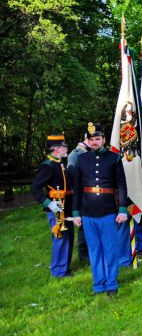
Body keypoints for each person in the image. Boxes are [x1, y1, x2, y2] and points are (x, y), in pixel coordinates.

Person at [71, 123, 128, 295]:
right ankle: (98, 284)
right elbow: (77, 188)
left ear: (103, 139)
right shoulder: (81, 159)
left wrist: (123, 209)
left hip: (108, 211)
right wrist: (75, 213)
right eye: (91, 139)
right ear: (87, 141)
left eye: (97, 139)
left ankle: (111, 283)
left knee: (110, 249)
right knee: (94, 250)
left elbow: (122, 185)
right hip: (88, 212)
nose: (94, 142)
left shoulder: (114, 158)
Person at [31, 134, 74, 278]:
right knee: (60, 237)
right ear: (56, 149)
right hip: (56, 208)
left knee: (68, 237)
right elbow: (35, 188)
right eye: (64, 146)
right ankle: (58, 271)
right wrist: (49, 204)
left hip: (66, 206)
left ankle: (64, 267)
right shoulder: (47, 165)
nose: (66, 148)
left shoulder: (59, 162)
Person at [66, 130, 91, 264]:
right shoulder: (75, 155)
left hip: (91, 195)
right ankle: (83, 254)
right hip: (81, 195)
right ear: (87, 138)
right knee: (83, 224)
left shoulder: (90, 152)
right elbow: (72, 177)